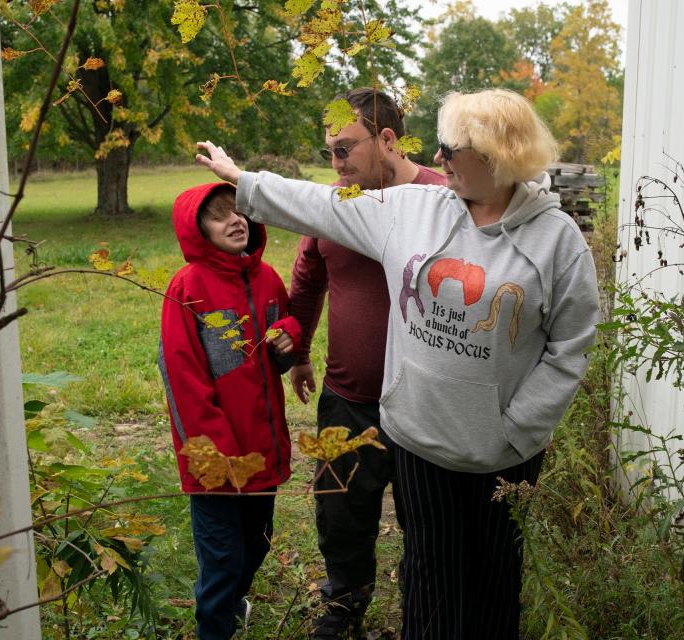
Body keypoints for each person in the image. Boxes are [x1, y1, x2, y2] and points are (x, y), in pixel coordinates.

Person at [195, 88, 600, 639]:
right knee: (430, 581)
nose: (438, 159)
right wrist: (242, 180)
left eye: (451, 149)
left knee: (494, 581)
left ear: (497, 154)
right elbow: (316, 205)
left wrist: (517, 426)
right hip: (421, 438)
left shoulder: (558, 241)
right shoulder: (415, 211)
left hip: (504, 454)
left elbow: (569, 345)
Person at [287, 87, 447, 639]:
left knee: (426, 520)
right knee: (341, 511)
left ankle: (424, 610)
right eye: (329, 151)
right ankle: (344, 606)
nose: (335, 164)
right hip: (348, 395)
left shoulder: (443, 199)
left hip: (425, 399)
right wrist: (301, 353)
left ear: (387, 139)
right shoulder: (334, 203)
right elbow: (308, 278)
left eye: (345, 149)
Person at [158, 182, 301, 640]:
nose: (235, 220)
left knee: (255, 545)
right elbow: (183, 380)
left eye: (238, 211)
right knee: (221, 558)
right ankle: (214, 627)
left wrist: (288, 337)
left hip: (261, 450)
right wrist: (216, 459)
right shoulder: (188, 289)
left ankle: (233, 601)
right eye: (219, 215)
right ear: (196, 229)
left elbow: (280, 344)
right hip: (217, 462)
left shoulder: (267, 279)